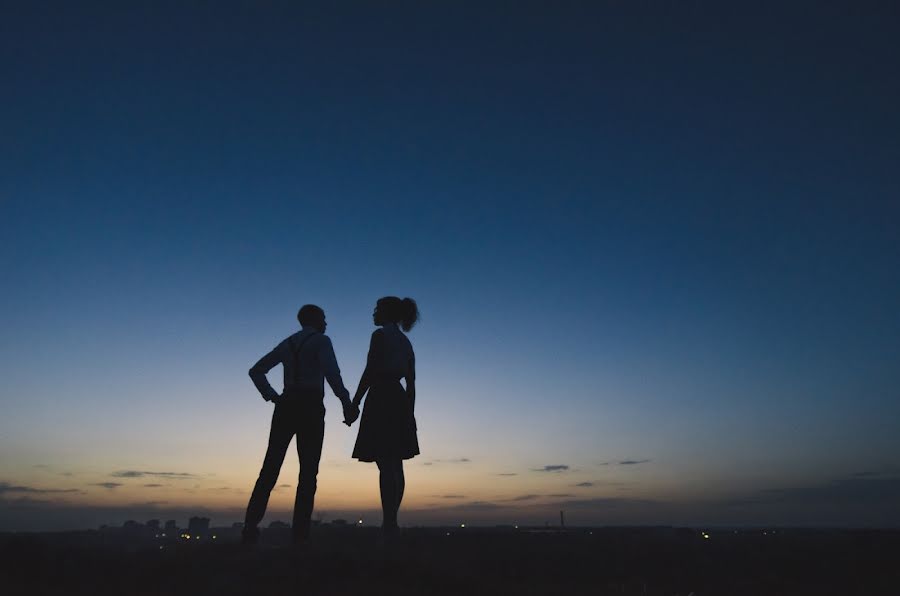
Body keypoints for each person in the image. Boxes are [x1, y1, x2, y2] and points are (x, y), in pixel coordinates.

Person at [242, 304, 357, 545]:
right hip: (310, 406)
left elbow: (256, 371)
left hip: (286, 405)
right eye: (324, 318)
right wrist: (346, 402)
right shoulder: (322, 341)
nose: (327, 323)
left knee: (270, 467)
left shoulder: (287, 343)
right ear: (315, 319)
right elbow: (332, 374)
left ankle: (250, 527)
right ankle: (300, 536)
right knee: (308, 472)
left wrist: (272, 396)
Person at [350, 296, 420, 536]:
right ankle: (392, 521)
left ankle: (389, 523)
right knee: (395, 463)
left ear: (386, 313)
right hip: (398, 399)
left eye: (376, 309)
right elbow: (411, 384)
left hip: (381, 396)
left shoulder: (380, 336)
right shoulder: (405, 342)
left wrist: (355, 401)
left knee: (386, 463)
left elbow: (370, 370)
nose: (373, 314)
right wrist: (409, 414)